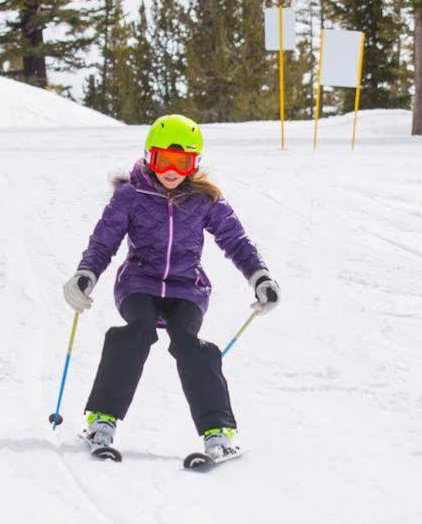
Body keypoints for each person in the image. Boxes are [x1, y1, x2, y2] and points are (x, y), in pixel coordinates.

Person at [63, 114, 280, 461]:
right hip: (139, 282)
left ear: (194, 164)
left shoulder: (203, 200)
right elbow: (104, 241)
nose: (172, 170)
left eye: (183, 162)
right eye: (164, 159)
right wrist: (85, 274)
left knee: (189, 343)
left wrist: (260, 277)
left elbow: (235, 240)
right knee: (136, 331)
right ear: (150, 156)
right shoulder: (130, 195)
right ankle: (101, 420)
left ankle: (218, 431)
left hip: (186, 288)